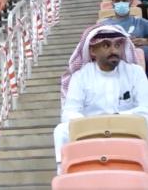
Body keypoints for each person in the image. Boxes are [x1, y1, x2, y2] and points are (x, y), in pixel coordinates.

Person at [54, 25, 148, 172]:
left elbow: (145, 109)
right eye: (106, 45)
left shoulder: (135, 72)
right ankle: (65, 174)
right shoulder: (81, 76)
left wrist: (116, 119)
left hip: (126, 128)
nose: (114, 50)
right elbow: (69, 112)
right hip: (91, 130)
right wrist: (93, 123)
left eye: (117, 45)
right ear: (92, 51)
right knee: (61, 130)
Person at [102, 0, 148, 72]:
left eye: (125, 0)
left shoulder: (140, 22)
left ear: (130, 2)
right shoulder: (104, 25)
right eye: (117, 1)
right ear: (112, 3)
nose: (121, 3)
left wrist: (145, 41)